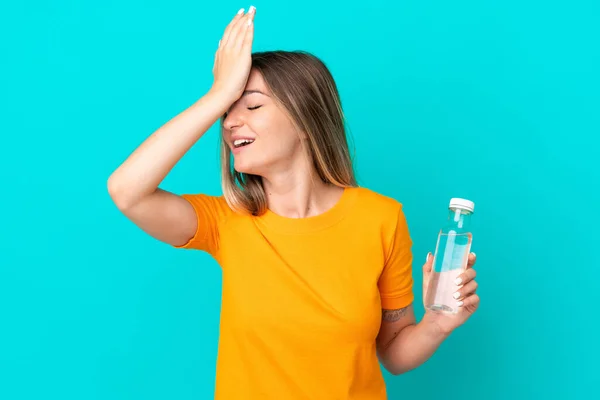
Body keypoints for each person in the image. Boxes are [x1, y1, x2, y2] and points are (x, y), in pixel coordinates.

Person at [107, 6, 480, 399]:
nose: (230, 122)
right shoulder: (226, 222)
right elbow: (127, 190)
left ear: (305, 120)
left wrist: (437, 322)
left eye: (251, 105)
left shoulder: (381, 219)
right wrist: (217, 95)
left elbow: (393, 353)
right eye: (225, 113)